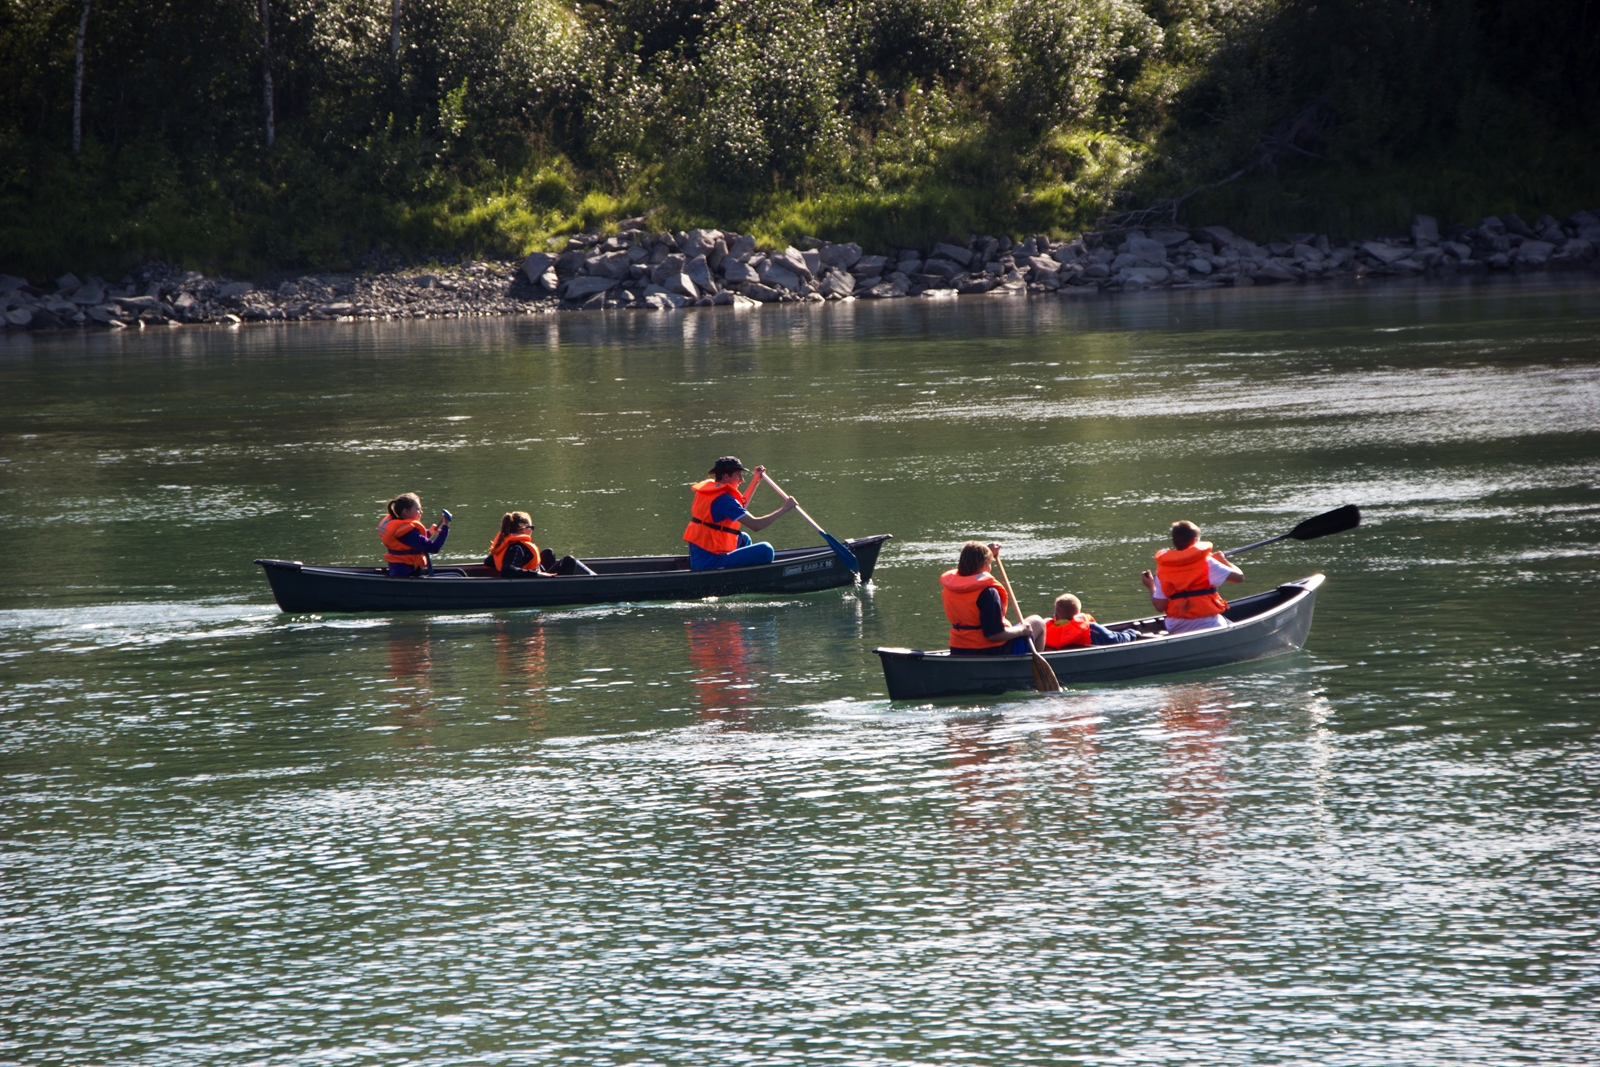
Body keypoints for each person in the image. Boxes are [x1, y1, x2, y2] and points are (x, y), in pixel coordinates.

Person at [683, 456, 797, 570]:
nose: (742, 479)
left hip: (702, 557)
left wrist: (755, 481)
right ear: (726, 477)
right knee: (766, 550)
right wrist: (785, 508)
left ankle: (745, 572)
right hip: (710, 563)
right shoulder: (723, 499)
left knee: (743, 538)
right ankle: (746, 574)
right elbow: (755, 525)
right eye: (738, 475)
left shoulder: (712, 492)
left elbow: (740, 507)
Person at [940, 541, 1046, 655]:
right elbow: (994, 635)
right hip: (992, 650)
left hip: (958, 649)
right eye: (989, 563)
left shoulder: (950, 589)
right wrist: (1021, 630)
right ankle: (1033, 665)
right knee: (1038, 622)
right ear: (984, 563)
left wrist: (988, 552)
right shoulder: (988, 593)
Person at [1140, 520, 1244, 633]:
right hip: (1208, 623)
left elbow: (1160, 606)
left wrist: (1151, 586)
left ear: (1174, 542)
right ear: (1195, 541)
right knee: (1231, 625)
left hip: (1176, 626)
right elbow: (1239, 577)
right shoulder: (1207, 562)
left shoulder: (1163, 568)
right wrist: (1222, 560)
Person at [485, 511, 595, 577]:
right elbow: (506, 571)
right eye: (531, 527)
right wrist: (537, 574)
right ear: (524, 529)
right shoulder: (517, 547)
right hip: (530, 584)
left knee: (548, 553)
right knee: (569, 560)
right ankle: (561, 590)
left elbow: (489, 561)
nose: (532, 530)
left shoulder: (505, 543)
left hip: (533, 575)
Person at [379, 492, 450, 576]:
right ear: (406, 511)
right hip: (406, 574)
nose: (421, 512)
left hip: (400, 571)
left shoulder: (403, 528)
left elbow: (415, 541)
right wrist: (445, 526)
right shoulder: (407, 532)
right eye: (418, 509)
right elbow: (434, 548)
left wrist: (429, 532)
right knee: (455, 574)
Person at [1040, 593, 1146, 648]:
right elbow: (1116, 639)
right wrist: (1131, 633)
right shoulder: (1091, 629)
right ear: (1078, 614)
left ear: (1056, 616)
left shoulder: (1044, 633)